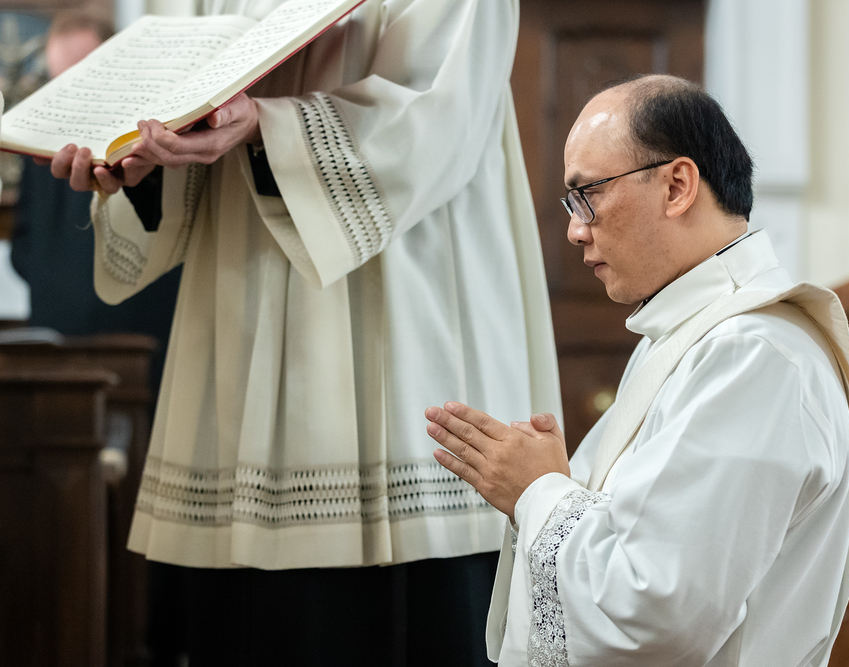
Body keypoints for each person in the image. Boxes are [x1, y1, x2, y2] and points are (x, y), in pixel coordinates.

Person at [45, 0, 561, 665]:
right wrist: (139, 161)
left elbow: (438, 117)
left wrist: (267, 125)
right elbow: (182, 97)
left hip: (400, 330)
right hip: (235, 337)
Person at [425, 74, 849, 666]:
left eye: (588, 194)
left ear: (677, 186)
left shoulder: (753, 356)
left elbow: (656, 612)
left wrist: (537, 491)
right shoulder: (696, 333)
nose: (575, 229)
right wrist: (554, 485)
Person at [12, 10, 180, 391]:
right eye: (59, 82)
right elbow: (25, 237)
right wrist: (50, 281)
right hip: (56, 339)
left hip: (137, 338)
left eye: (82, 79)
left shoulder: (150, 137)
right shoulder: (36, 143)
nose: (70, 96)